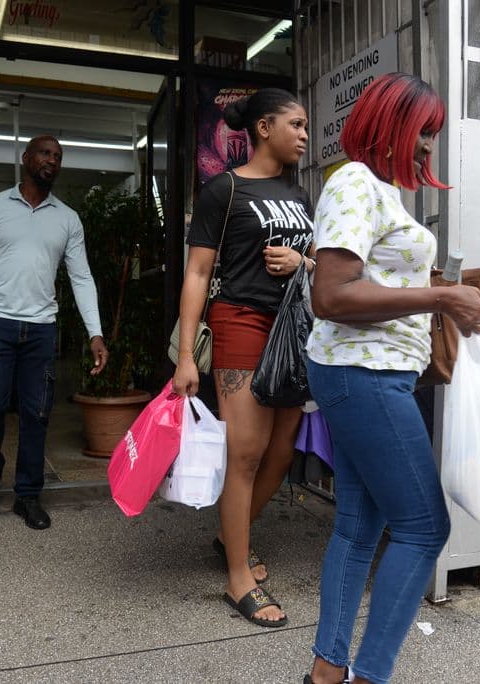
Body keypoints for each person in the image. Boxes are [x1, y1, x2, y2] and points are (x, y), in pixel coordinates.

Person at [303, 73, 480, 684]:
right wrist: (443, 300)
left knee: (357, 525)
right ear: (387, 124)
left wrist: (472, 279)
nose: (429, 146)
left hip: (364, 375)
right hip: (363, 374)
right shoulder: (353, 182)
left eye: (433, 135)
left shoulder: (379, 190)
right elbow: (332, 293)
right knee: (425, 528)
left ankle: (327, 673)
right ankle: (368, 677)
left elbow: (395, 275)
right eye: (422, 132)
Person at [172, 88, 314, 628]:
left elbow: (320, 259)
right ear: (263, 128)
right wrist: (187, 356)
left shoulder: (299, 195)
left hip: (292, 329)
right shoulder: (223, 191)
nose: (304, 134)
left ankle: (231, 536)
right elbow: (197, 274)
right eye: (296, 124)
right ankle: (237, 579)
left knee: (282, 454)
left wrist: (302, 258)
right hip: (242, 322)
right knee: (246, 455)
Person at [0, 135, 109, 530]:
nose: (51, 159)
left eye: (58, 156)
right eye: (45, 153)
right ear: (26, 158)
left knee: (37, 413)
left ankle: (28, 495)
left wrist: (95, 333)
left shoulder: (68, 218)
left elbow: (81, 277)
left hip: (41, 328)